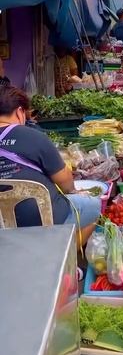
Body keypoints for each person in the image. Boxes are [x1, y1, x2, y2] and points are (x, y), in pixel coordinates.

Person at [0, 85, 100, 247]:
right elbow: (65, 180)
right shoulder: (34, 137)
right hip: (43, 218)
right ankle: (64, 256)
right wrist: (73, 192)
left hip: (3, 226)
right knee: (94, 205)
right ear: (19, 112)